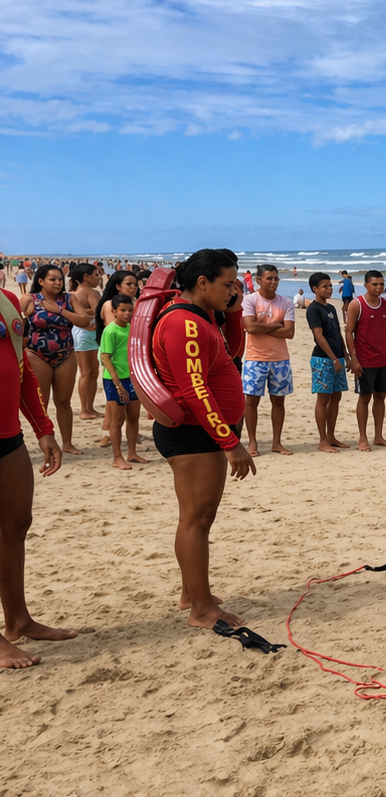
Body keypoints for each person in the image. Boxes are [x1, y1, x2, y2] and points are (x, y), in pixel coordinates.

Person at [150, 248, 256, 629]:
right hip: (195, 433)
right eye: (227, 285)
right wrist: (229, 442)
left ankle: (191, 594)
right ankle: (202, 609)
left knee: (195, 518)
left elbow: (231, 352)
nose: (233, 291)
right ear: (202, 282)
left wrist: (233, 312)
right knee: (197, 519)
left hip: (202, 430)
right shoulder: (185, 324)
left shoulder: (201, 314)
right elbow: (194, 389)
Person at [0, 281, 76, 667]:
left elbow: (22, 370)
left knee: (16, 526)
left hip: (7, 437)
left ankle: (18, 620)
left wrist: (43, 428)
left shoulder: (9, 302)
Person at [21, 265, 86, 456]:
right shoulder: (29, 299)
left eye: (60, 279)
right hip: (37, 355)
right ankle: (45, 441)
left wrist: (59, 310)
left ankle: (67, 443)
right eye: (53, 279)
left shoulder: (69, 299)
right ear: (41, 281)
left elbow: (84, 321)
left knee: (64, 401)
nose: (58, 283)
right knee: (41, 402)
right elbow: (14, 322)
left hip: (66, 354)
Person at [240, 264, 295, 457]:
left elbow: (289, 332)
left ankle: (276, 442)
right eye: (269, 278)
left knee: (278, 401)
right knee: (251, 401)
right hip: (255, 358)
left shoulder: (286, 302)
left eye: (276, 278)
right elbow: (250, 328)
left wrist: (261, 326)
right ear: (258, 280)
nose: (274, 282)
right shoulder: (249, 300)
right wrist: (276, 324)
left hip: (280, 359)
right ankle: (252, 442)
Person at [345, 270, 386, 452]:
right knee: (364, 397)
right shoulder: (356, 304)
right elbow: (349, 332)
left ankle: (378, 436)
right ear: (366, 285)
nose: (379, 287)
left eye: (381, 284)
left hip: (383, 359)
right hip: (365, 360)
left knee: (381, 396)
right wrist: (354, 358)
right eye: (375, 284)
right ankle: (362, 437)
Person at [97, 295, 145, 469]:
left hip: (132, 378)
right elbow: (105, 357)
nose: (127, 313)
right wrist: (117, 383)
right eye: (123, 310)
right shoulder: (110, 331)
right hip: (114, 380)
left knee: (134, 417)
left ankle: (132, 453)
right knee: (118, 420)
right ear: (114, 311)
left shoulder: (132, 329)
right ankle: (117, 457)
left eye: (129, 310)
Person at [306, 273, 349, 453]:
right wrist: (333, 359)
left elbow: (337, 332)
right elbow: (318, 335)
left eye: (330, 285)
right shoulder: (313, 309)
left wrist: (345, 355)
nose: (329, 289)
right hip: (323, 359)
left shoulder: (331, 307)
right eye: (325, 286)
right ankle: (322, 440)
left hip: (338, 357)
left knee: (336, 396)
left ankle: (331, 436)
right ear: (315, 289)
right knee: (323, 398)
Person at [70, 264, 104, 422]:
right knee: (87, 372)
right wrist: (89, 313)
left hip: (84, 332)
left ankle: (89, 407)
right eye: (96, 274)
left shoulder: (74, 293)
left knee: (92, 373)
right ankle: (85, 409)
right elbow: (99, 312)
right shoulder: (90, 292)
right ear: (86, 276)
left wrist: (86, 312)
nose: (99, 277)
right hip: (86, 333)